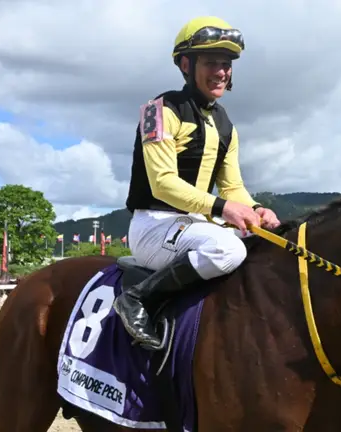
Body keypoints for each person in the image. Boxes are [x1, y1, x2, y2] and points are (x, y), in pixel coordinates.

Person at [115, 16, 281, 350]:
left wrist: (256, 209)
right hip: (154, 225)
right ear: (186, 65)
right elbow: (163, 183)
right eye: (211, 62)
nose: (221, 71)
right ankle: (138, 299)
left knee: (268, 244)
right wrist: (223, 208)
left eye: (226, 64)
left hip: (194, 225)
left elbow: (232, 187)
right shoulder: (158, 110)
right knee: (228, 249)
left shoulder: (226, 125)